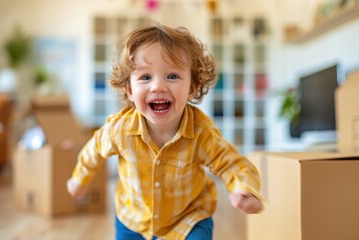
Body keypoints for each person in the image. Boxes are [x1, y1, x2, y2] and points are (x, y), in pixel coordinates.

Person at [67, 21, 264, 240]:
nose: (158, 86)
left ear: (192, 88)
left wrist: (243, 188)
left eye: (172, 76)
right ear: (130, 90)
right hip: (133, 217)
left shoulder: (201, 132)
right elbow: (94, 149)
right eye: (145, 77)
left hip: (189, 216)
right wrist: (79, 179)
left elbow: (230, 161)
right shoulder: (119, 130)